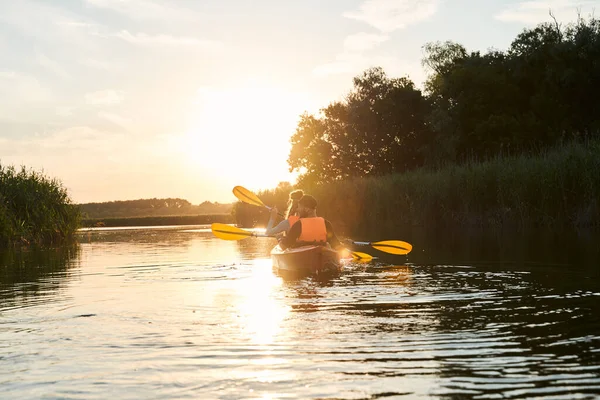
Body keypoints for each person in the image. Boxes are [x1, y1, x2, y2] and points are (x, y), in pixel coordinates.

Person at [278, 194, 344, 250]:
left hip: (304, 258)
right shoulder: (326, 223)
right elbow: (336, 246)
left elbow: (284, 246)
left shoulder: (299, 224)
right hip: (323, 256)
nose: (298, 210)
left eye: (299, 207)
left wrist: (280, 241)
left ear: (307, 209)